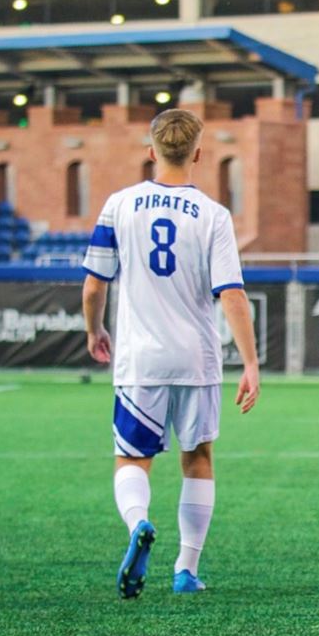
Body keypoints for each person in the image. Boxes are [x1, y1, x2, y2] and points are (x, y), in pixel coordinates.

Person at [82, 108, 261, 599]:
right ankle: (185, 568)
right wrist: (249, 361)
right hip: (197, 360)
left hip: (141, 359)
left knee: (132, 459)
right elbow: (232, 296)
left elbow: (94, 283)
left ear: (151, 151)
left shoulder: (119, 205)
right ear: (199, 154)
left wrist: (94, 329)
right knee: (198, 457)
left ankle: (139, 522)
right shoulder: (214, 215)